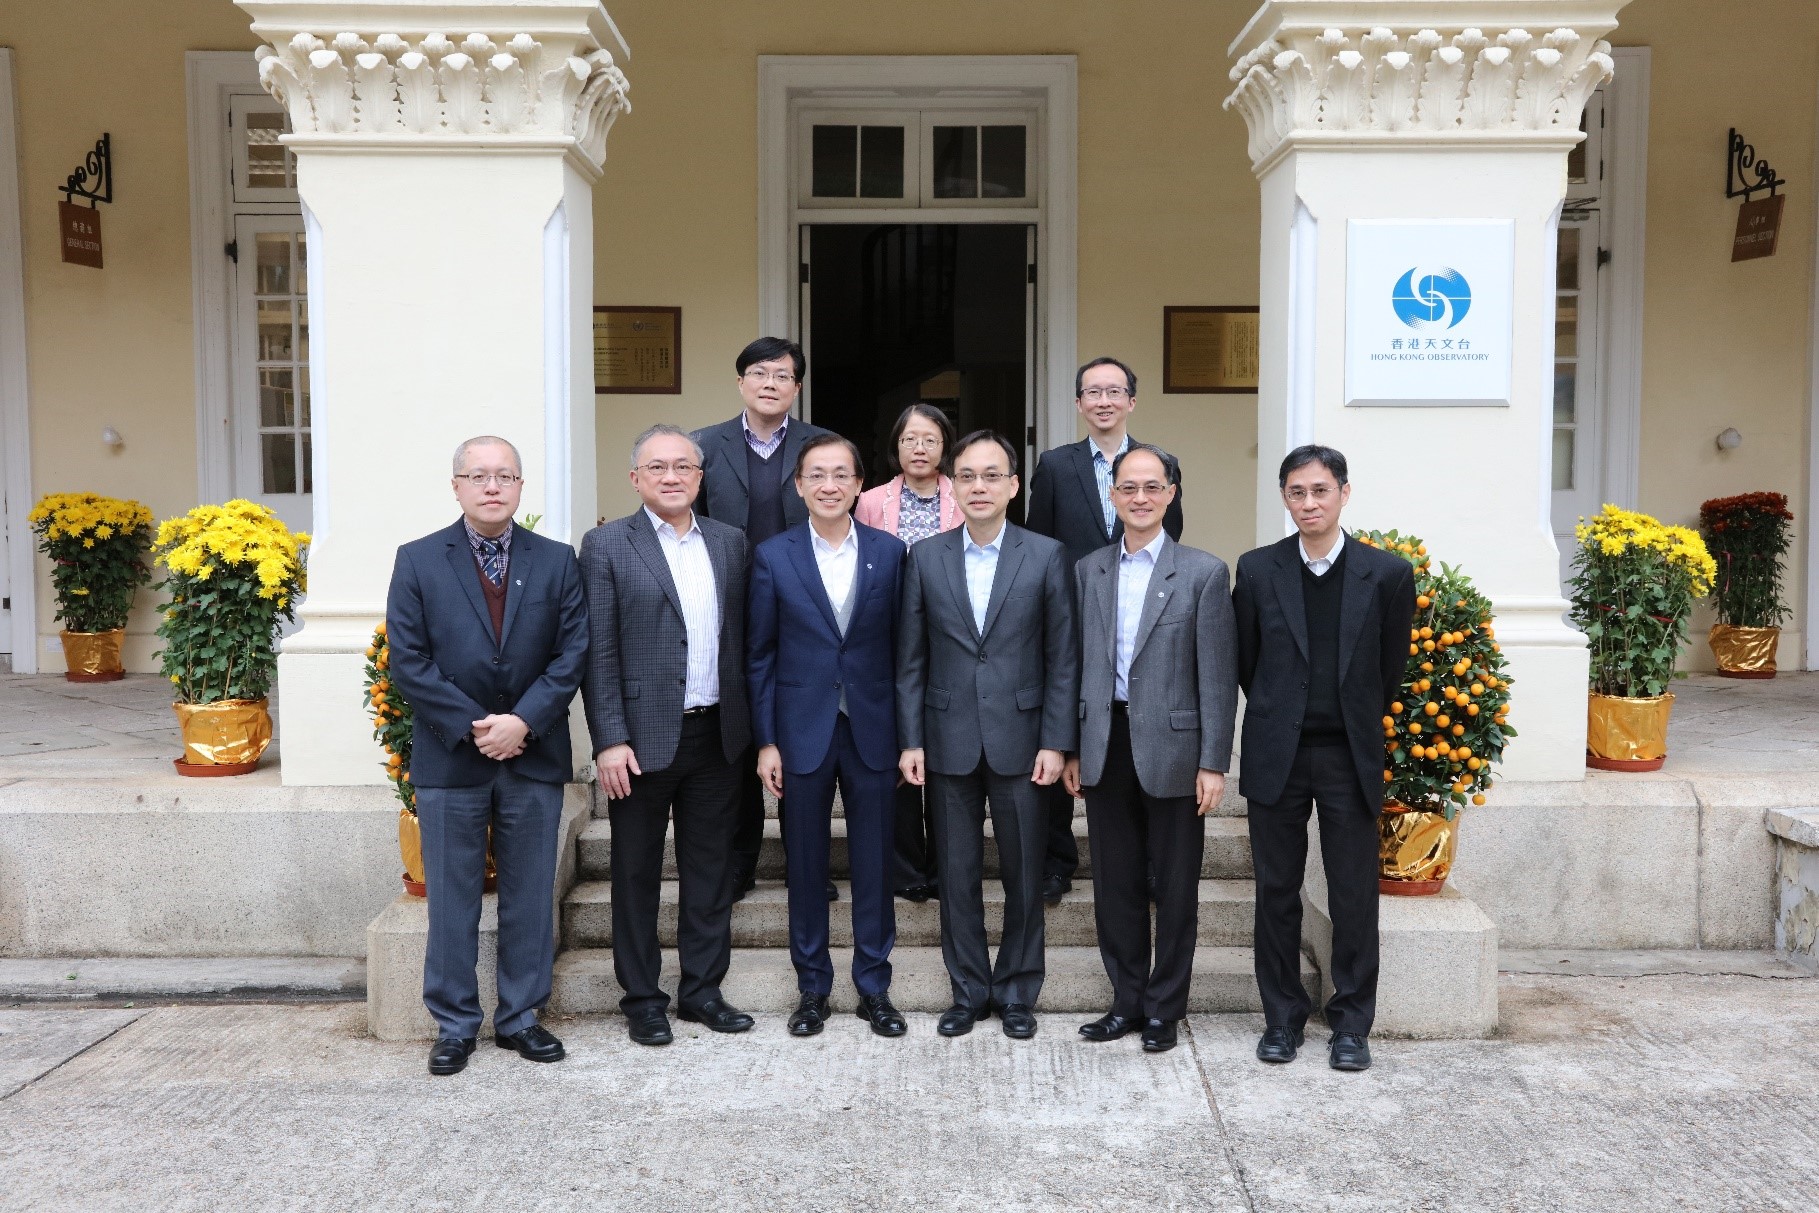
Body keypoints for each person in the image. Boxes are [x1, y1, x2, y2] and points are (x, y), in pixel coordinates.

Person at [385, 435, 589, 1076]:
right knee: (451, 896)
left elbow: (572, 653)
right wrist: (477, 727)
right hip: (454, 758)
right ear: (457, 486)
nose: (492, 487)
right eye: (479, 476)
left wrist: (522, 721)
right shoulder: (418, 560)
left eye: (505, 476)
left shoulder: (556, 561)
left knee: (530, 893)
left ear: (521, 486)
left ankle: (521, 1018)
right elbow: (407, 661)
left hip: (533, 755)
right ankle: (453, 1023)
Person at [1232, 444, 1417, 1073]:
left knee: (1353, 894)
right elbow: (1248, 666)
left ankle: (1351, 1024)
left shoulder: (1387, 574)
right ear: (1284, 498)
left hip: (1348, 755)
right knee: (1276, 890)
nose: (1308, 504)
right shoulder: (1257, 570)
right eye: (1296, 493)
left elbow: (1389, 670)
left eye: (1320, 491)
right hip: (1277, 751)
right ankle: (1281, 1019)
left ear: (1343, 492)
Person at [897, 430, 1078, 1040]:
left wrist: (1057, 741)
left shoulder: (1047, 555)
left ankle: (1019, 991)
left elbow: (1064, 658)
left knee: (1025, 873)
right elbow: (911, 659)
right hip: (946, 737)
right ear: (953, 484)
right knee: (956, 873)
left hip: (1023, 740)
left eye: (992, 475)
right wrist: (910, 739)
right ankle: (969, 991)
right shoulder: (925, 556)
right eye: (968, 476)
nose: (979, 486)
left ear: (1013, 486)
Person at [580, 424, 756, 1047]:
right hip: (641, 741)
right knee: (636, 872)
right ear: (636, 479)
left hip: (718, 735)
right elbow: (598, 651)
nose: (673, 476)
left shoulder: (731, 543)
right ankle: (643, 998)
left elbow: (743, 640)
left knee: (710, 869)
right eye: (658, 467)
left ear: (700, 476)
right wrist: (608, 739)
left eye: (684, 466)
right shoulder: (605, 545)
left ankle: (702, 990)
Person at [1063, 444, 1237, 1055]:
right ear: (1112, 496)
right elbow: (1080, 665)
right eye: (1128, 487)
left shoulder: (1203, 572)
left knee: (1177, 889)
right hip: (1105, 744)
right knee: (1115, 886)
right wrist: (1076, 747)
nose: (1139, 497)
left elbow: (1217, 675)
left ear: (1170, 494)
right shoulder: (1089, 570)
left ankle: (1166, 1008)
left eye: (1152, 487)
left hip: (1176, 750)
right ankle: (1127, 1001)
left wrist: (1214, 760)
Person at [749, 434, 909, 1038]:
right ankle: (812, 988)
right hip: (800, 733)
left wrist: (908, 737)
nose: (829, 485)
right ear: (798, 486)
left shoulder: (891, 555)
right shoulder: (774, 556)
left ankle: (874, 987)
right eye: (816, 475)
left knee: (874, 864)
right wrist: (767, 741)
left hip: (872, 729)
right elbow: (760, 656)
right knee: (807, 865)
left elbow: (905, 653)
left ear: (859, 484)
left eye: (841, 474)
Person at [1024, 356, 1184, 904]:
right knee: (1064, 733)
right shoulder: (1054, 464)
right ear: (1078, 403)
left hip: (1139, 628)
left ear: (1132, 401)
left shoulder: (1158, 464)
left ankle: (1147, 860)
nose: (1104, 400)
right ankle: (1057, 860)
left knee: (1131, 740)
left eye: (1115, 390)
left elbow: (1172, 544)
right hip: (1069, 620)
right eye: (1092, 391)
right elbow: (1037, 543)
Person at [693, 337, 834, 902]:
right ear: (741, 382)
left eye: (782, 375)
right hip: (729, 607)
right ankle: (738, 861)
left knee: (803, 735)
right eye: (759, 373)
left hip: (806, 610)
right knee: (739, 735)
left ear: (797, 387)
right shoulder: (704, 445)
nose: (770, 383)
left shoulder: (821, 448)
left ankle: (810, 864)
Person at [854, 403, 963, 904]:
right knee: (897, 750)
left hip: (951, 639)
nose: (919, 449)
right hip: (886, 638)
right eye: (909, 440)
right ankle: (905, 868)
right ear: (895, 447)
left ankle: (944, 866)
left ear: (945, 447)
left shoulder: (965, 494)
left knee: (943, 758)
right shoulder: (871, 501)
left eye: (930, 440)